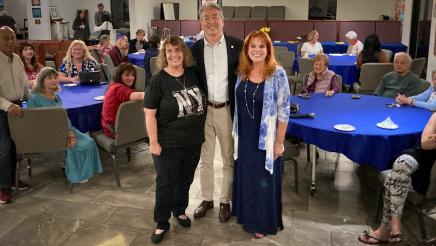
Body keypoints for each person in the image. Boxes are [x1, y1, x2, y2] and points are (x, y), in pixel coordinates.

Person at [144, 36, 207, 244]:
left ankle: (179, 209)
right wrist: (153, 142)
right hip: (167, 143)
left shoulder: (193, 74)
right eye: (169, 51)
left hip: (193, 141)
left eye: (178, 50)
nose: (174, 55)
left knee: (186, 179)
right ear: (164, 55)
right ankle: (161, 222)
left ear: (184, 53)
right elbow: (149, 114)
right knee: (165, 183)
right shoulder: (158, 80)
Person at [232, 30, 290, 239]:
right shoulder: (242, 72)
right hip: (244, 136)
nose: (256, 50)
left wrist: (279, 143)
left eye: (261, 46)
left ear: (268, 50)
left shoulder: (278, 74)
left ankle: (262, 222)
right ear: (247, 50)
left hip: (265, 138)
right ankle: (246, 216)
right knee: (247, 177)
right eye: (252, 46)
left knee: (263, 180)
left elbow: (284, 111)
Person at [190, 3, 243, 223]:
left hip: (228, 110)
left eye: (215, 17)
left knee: (228, 159)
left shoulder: (237, 46)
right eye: (206, 18)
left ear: (223, 20)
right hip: (204, 112)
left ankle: (225, 201)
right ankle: (207, 199)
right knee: (205, 160)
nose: (211, 21)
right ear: (201, 22)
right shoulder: (193, 49)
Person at [358, 113, 436, 244]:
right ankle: (395, 229)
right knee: (401, 164)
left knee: (393, 178)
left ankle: (385, 231)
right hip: (419, 156)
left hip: (428, 171)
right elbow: (424, 144)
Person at [27, 67, 103, 184]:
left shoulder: (56, 96)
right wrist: (67, 134)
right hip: (48, 133)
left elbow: (64, 117)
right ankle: (76, 174)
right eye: (49, 78)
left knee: (90, 141)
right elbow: (35, 123)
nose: (53, 80)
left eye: (55, 78)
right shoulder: (34, 98)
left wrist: (69, 132)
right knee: (79, 146)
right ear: (42, 80)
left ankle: (84, 171)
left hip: (65, 129)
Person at [0, 27, 30, 204]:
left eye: (13, 37)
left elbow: (25, 86)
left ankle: (12, 180)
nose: (11, 41)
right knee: (3, 149)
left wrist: (31, 98)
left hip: (17, 107)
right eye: (6, 38)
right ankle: (3, 187)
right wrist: (8, 105)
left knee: (15, 147)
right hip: (2, 109)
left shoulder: (17, 58)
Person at [101, 63, 144, 138]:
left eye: (132, 75)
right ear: (120, 76)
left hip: (113, 125)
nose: (131, 78)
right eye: (127, 75)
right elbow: (140, 95)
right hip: (113, 129)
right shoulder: (118, 88)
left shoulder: (115, 86)